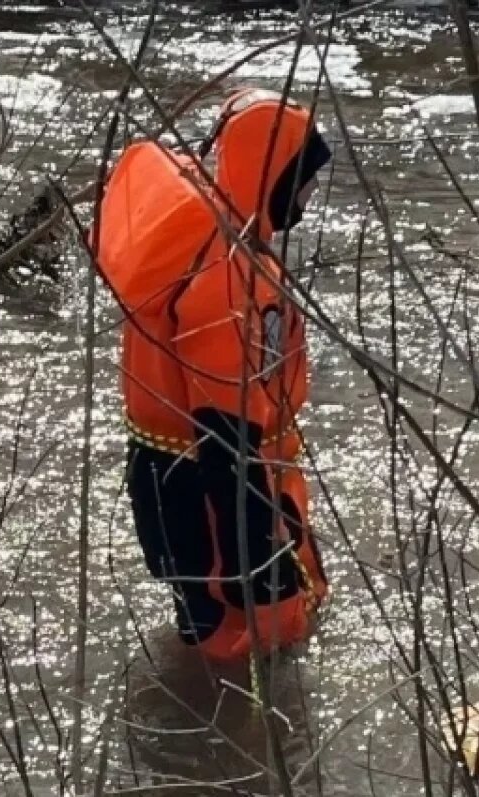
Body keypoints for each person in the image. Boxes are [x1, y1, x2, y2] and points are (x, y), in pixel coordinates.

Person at [96, 88, 332, 663]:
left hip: (166, 481)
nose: (310, 192)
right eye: (303, 177)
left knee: (204, 632)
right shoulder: (231, 280)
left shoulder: (191, 239)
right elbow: (229, 439)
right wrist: (258, 568)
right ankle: (231, 748)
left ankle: (190, 724)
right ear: (272, 177)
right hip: (219, 494)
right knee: (256, 649)